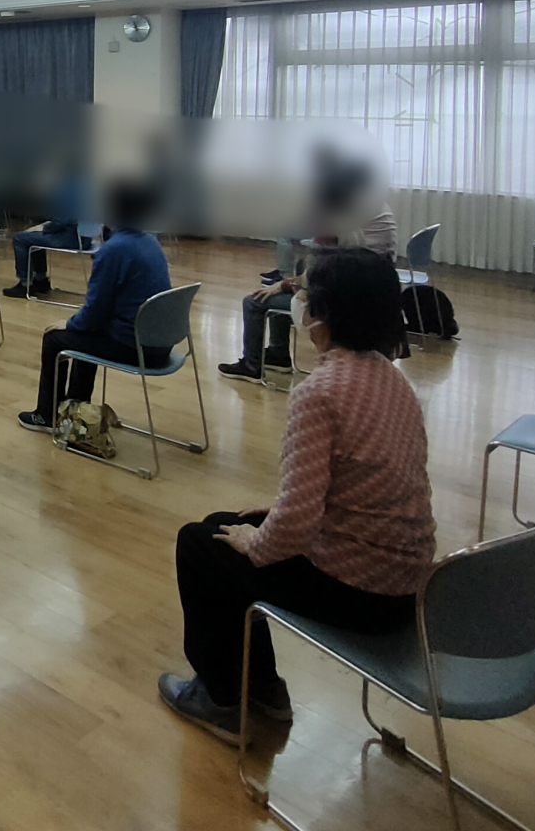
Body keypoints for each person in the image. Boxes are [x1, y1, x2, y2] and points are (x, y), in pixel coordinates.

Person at [159, 247, 434, 743]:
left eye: (306, 295)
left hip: (359, 591)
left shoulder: (320, 391)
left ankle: (221, 699)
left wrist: (258, 541)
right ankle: (262, 685)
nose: (299, 303)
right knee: (224, 523)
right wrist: (269, 521)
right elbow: (373, 483)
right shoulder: (393, 382)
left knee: (199, 545)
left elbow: (295, 526)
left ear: (321, 318)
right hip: (405, 585)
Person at [16, 219, 173, 432]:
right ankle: (76, 411)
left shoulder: (113, 249)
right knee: (87, 336)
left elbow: (94, 313)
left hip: (137, 347)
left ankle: (46, 415)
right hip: (161, 344)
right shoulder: (150, 241)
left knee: (54, 338)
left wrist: (69, 324)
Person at [220, 203, 399, 383]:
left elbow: (312, 279)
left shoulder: (328, 231)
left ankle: (252, 365)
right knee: (281, 289)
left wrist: (282, 285)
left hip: (331, 304)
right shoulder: (353, 227)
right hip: (352, 295)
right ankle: (277, 354)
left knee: (254, 301)